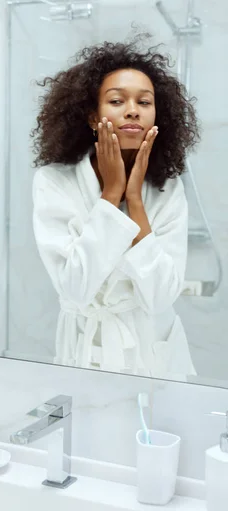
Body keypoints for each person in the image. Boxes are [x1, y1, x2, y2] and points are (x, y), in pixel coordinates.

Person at [32, 38, 200, 378]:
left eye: (144, 101)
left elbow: (162, 297)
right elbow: (76, 290)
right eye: (117, 100)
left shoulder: (167, 188)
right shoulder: (54, 182)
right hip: (86, 341)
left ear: (156, 114)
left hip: (152, 344)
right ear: (94, 116)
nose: (132, 109)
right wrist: (111, 194)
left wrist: (135, 200)